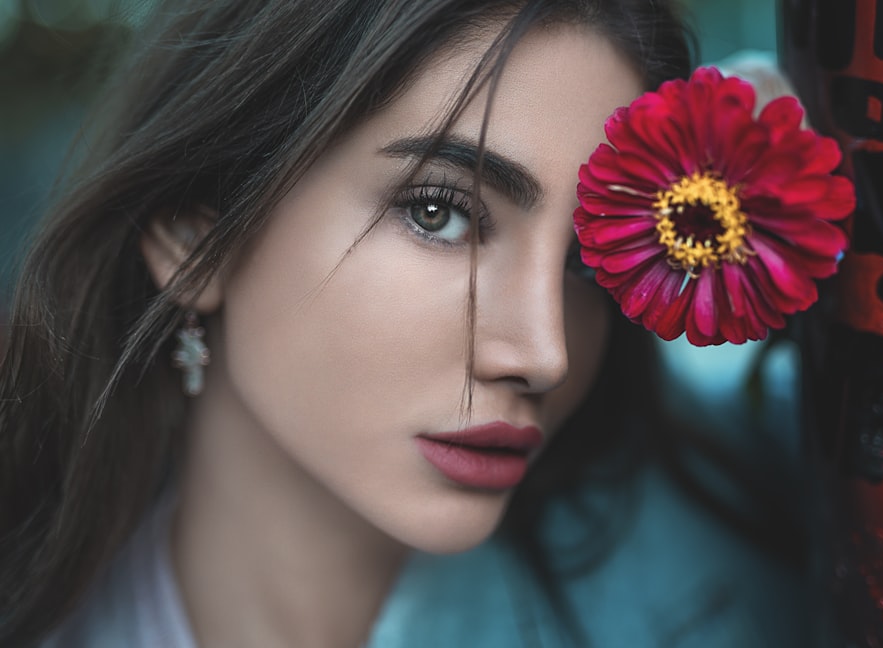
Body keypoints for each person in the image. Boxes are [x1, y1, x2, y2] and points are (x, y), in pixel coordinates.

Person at [0, 1, 813, 646]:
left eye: (584, 263)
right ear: (195, 236)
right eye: (440, 213)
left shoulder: (752, 536)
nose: (543, 353)